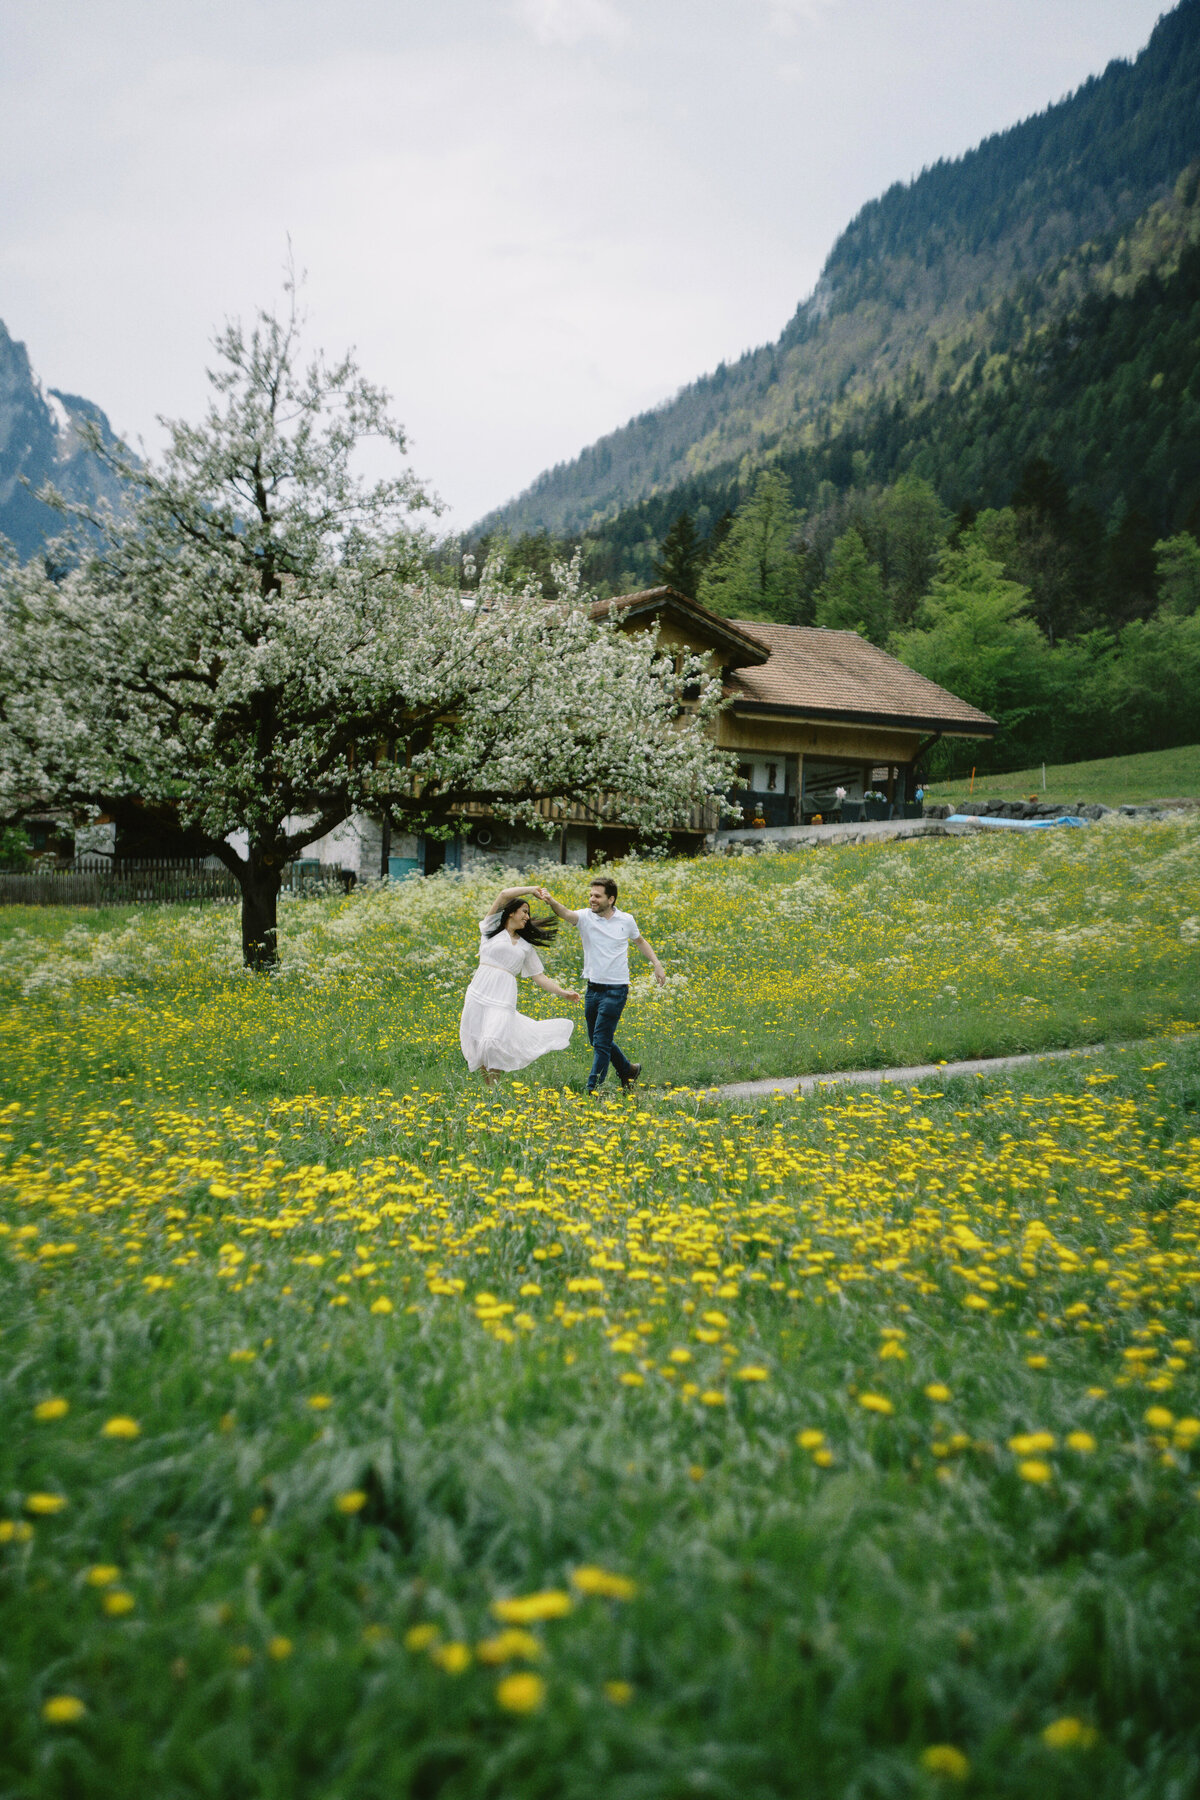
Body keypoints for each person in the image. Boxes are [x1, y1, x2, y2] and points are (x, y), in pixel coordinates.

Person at [537, 875, 665, 1094]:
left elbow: (640, 941)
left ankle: (592, 1090)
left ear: (611, 899)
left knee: (601, 1041)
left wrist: (656, 963)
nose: (592, 899)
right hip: (593, 989)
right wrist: (551, 901)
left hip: (616, 990)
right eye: (590, 895)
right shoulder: (585, 917)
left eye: (597, 896)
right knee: (596, 1041)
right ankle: (628, 1070)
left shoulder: (626, 920)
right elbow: (566, 913)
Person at [459, 885, 580, 1087]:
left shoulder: (525, 947)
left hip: (504, 996)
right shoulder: (490, 930)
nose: (527, 916)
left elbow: (539, 976)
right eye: (524, 911)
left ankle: (494, 1086)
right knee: (479, 1042)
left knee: (492, 1042)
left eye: (528, 914)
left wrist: (563, 992)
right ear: (511, 913)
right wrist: (532, 889)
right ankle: (490, 1089)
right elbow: (504, 895)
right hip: (479, 992)